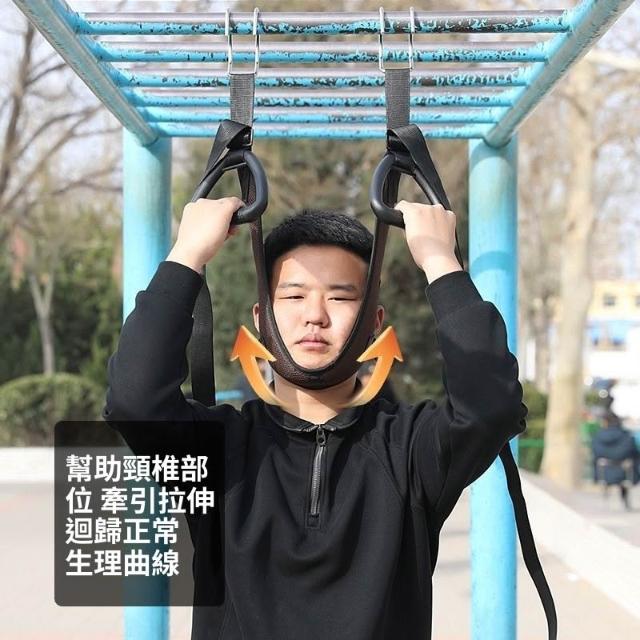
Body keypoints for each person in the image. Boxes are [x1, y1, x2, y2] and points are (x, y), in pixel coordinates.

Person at [104, 198, 526, 640]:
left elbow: (490, 407)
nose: (315, 316)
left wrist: (440, 260)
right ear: (262, 317)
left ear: (374, 322)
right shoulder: (218, 449)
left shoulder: (409, 450)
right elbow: (135, 401)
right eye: (293, 295)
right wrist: (187, 253)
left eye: (340, 297)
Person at [591, 410, 640, 510]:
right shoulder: (627, 435)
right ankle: (625, 501)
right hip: (625, 473)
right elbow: (634, 452)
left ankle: (606, 497)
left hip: (603, 472)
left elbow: (595, 453)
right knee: (631, 464)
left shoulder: (598, 436)